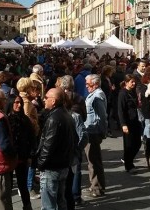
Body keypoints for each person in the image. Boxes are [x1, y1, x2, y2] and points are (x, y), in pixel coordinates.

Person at [37, 88, 75, 210]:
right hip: (63, 165)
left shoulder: (54, 118)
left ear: (53, 101)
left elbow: (48, 145)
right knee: (60, 201)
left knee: (49, 205)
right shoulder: (66, 115)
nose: (44, 99)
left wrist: (40, 164)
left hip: (52, 167)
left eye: (46, 97)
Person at [58, 75, 88, 206]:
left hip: (63, 132)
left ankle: (64, 195)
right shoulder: (79, 98)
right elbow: (85, 115)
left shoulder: (59, 96)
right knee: (76, 168)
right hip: (76, 131)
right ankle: (76, 196)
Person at [5, 94, 36, 210]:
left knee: (22, 184)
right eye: (16, 102)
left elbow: (32, 138)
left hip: (22, 157)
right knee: (7, 185)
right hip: (8, 157)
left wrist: (30, 155)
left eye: (20, 103)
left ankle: (27, 206)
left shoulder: (25, 119)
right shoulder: (5, 119)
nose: (19, 105)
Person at [16, 77, 41, 199]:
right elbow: (25, 119)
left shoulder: (22, 99)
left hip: (28, 136)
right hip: (29, 136)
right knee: (31, 161)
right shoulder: (25, 102)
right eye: (32, 86)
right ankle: (28, 187)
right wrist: (35, 121)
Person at [84, 74, 107, 197]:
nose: (86, 86)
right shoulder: (94, 94)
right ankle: (94, 185)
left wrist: (102, 132)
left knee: (94, 161)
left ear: (96, 84)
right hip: (91, 131)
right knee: (91, 161)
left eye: (88, 84)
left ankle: (97, 188)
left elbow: (102, 117)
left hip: (93, 132)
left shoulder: (97, 96)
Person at [117, 74, 141, 173]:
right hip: (128, 122)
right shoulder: (123, 94)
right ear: (126, 82)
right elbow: (120, 110)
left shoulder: (133, 92)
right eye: (132, 82)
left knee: (137, 143)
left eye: (134, 82)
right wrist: (123, 124)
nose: (134, 84)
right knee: (129, 145)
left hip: (135, 121)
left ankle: (128, 160)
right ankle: (129, 165)